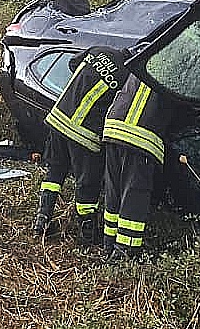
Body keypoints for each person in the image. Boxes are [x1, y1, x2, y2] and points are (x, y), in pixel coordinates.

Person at [33, 46, 128, 244]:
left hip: (59, 118)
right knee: (87, 184)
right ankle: (87, 235)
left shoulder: (98, 50)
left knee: (55, 172)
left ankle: (42, 219)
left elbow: (72, 64)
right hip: (84, 135)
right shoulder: (126, 75)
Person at [101, 73, 175, 260]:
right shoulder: (182, 71)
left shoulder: (152, 52)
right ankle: (125, 253)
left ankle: (108, 245)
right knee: (135, 194)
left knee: (114, 190)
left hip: (114, 126)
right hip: (141, 135)